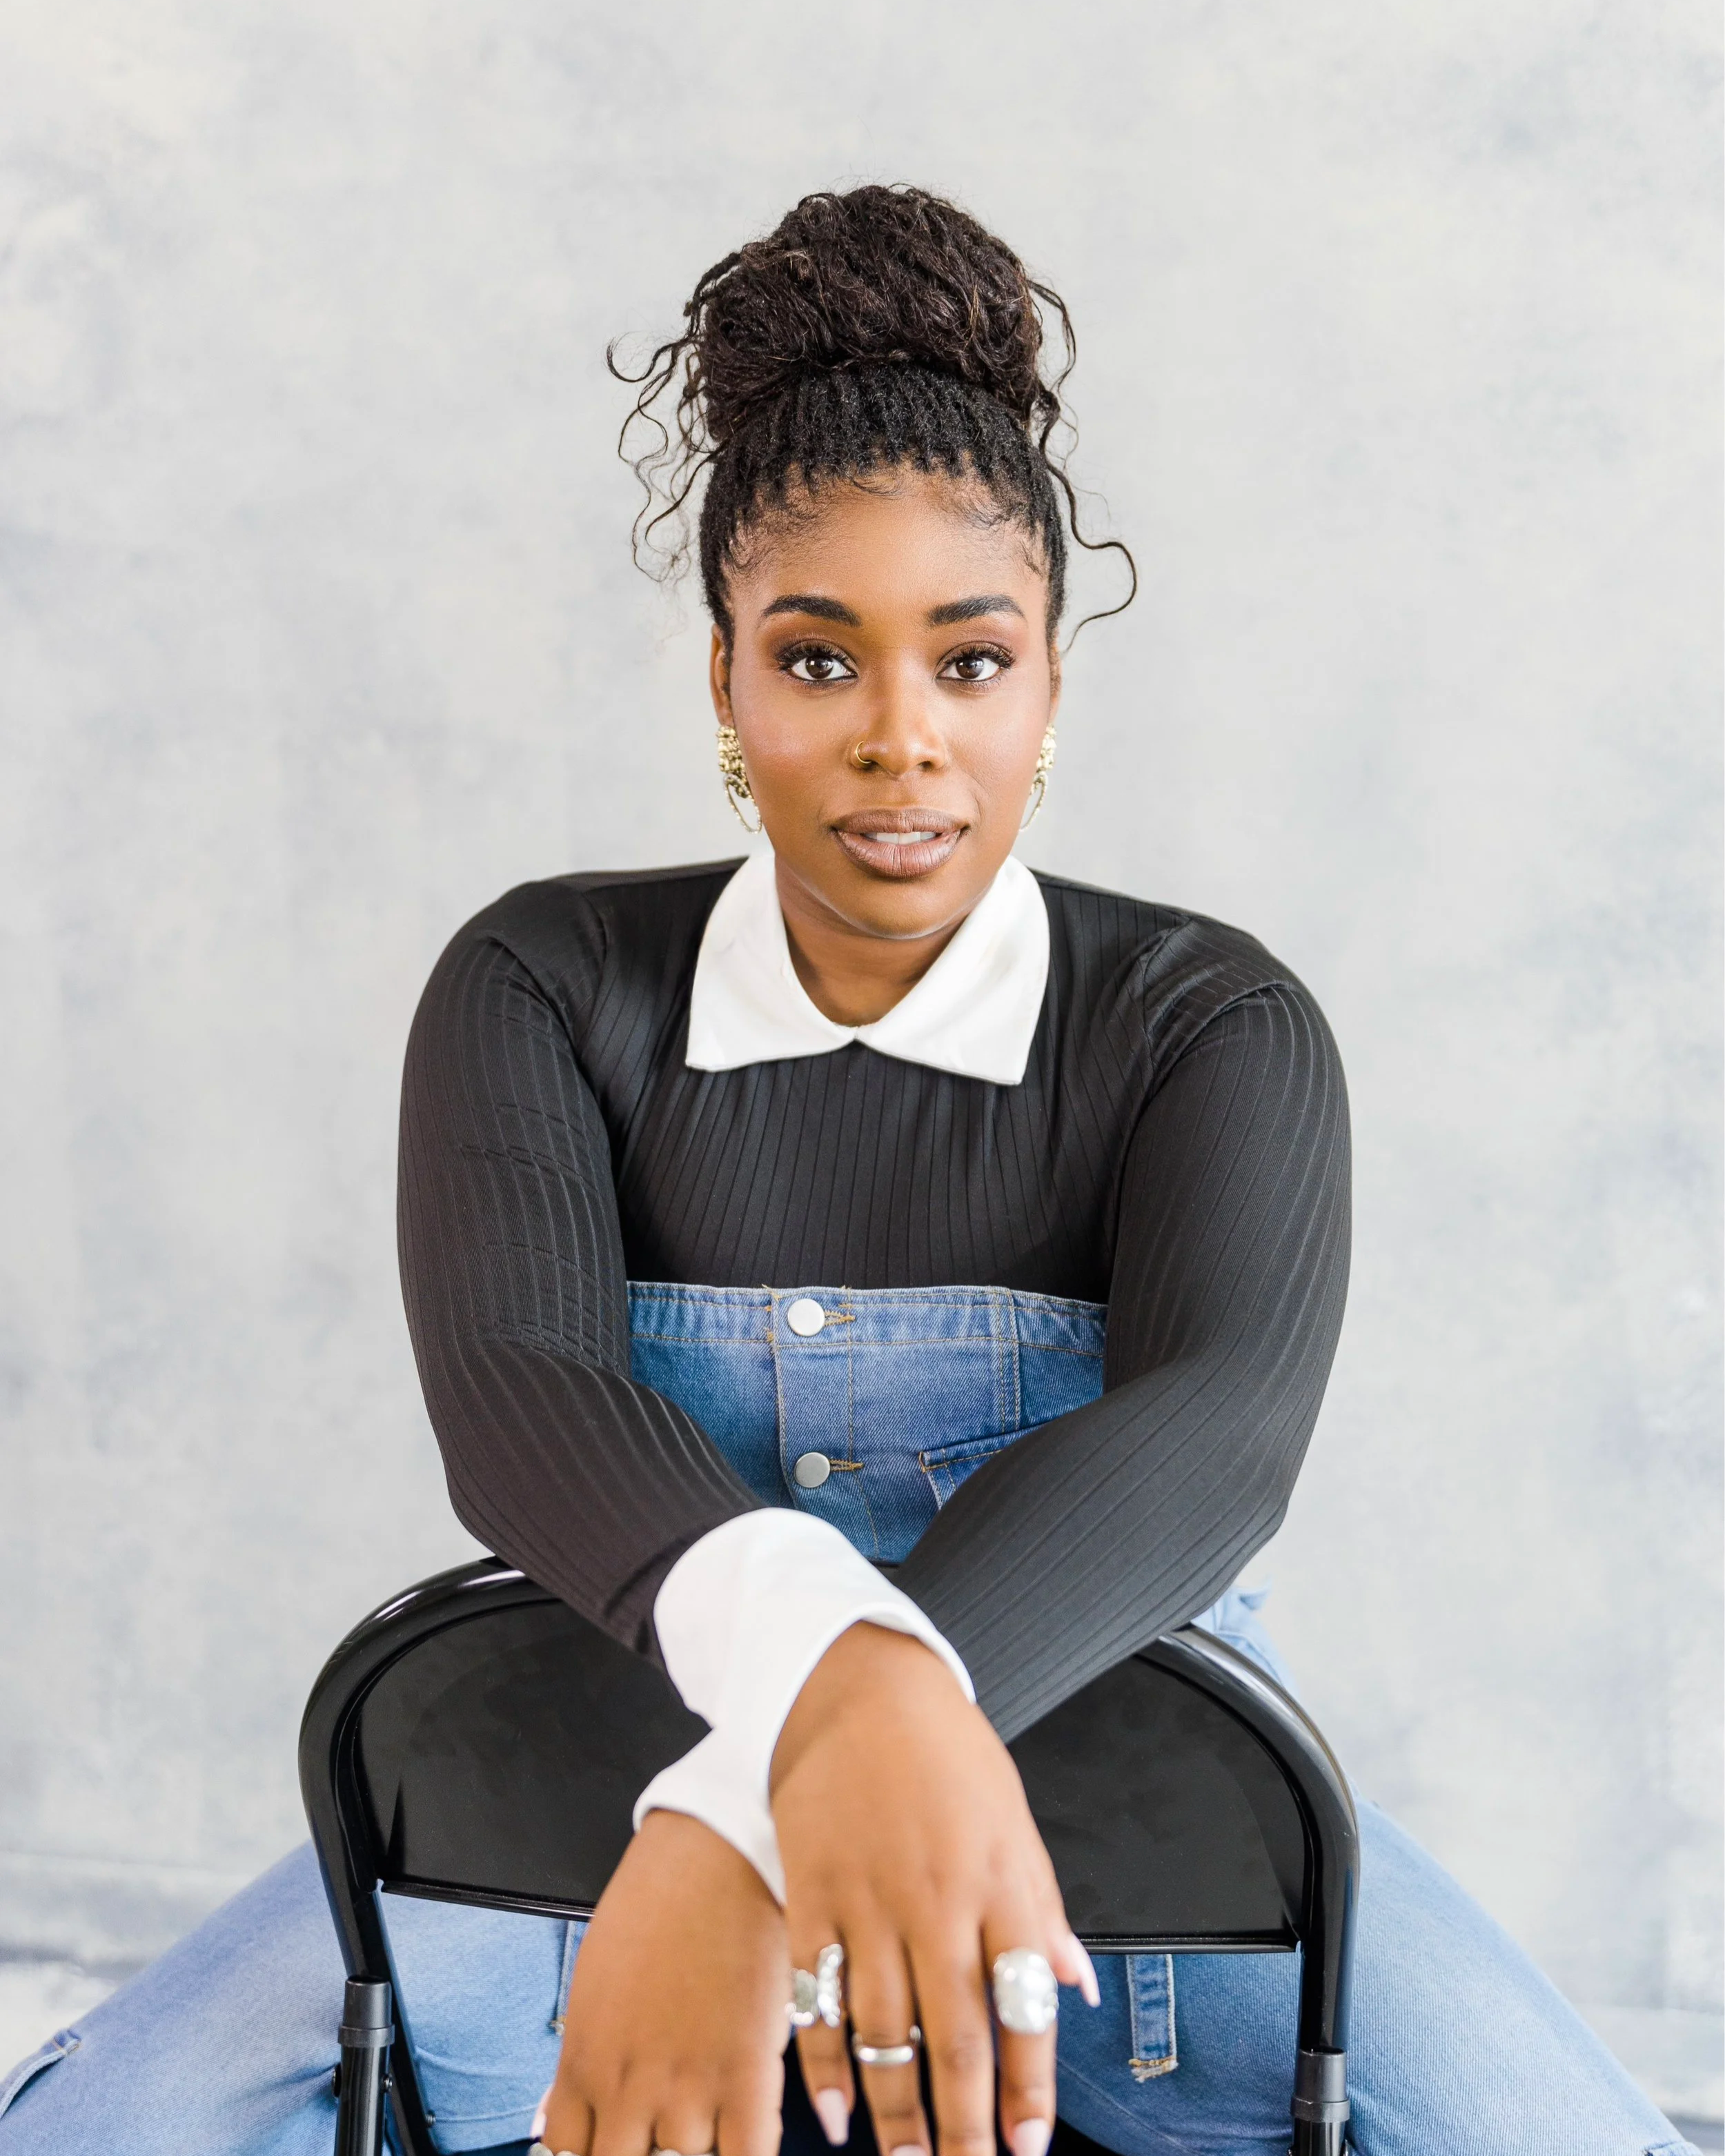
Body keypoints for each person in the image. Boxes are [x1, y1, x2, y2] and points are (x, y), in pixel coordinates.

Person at [0, 185, 1695, 2156]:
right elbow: (521, 1402)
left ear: (1049, 683)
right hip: (569, 1859)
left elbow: (1218, 1442)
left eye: (970, 661)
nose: (903, 741)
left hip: (1129, 1888)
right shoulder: (541, 983)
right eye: (819, 662)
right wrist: (808, 1723)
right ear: (724, 679)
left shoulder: (1205, 1022)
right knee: (106, 2118)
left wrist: (747, 1816)